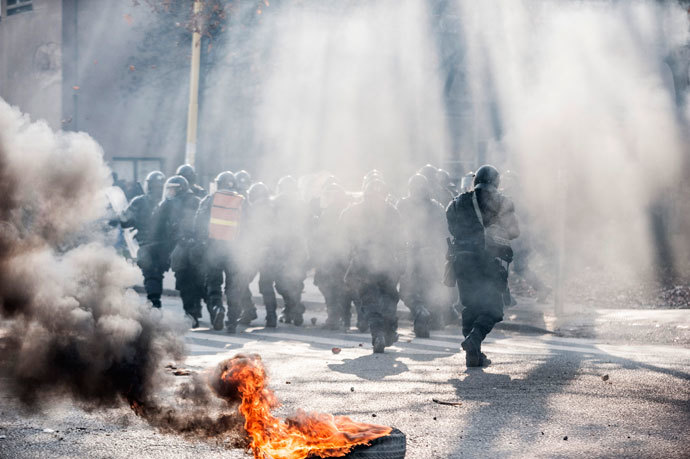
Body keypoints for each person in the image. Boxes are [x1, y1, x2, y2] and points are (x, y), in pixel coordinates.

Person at [446, 165, 520, 367]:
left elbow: (450, 222)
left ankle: (473, 355)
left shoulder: (459, 201)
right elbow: (514, 231)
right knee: (494, 308)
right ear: (496, 182)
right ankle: (474, 340)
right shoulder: (502, 202)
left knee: (470, 307)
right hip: (488, 262)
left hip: (461, 261)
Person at [341, 178, 404, 353]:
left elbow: (343, 231)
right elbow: (401, 238)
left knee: (370, 302)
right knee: (389, 299)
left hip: (363, 263)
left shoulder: (353, 211)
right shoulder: (392, 211)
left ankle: (379, 335)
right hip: (387, 263)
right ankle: (388, 333)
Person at [397, 174, 449, 338]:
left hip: (411, 254)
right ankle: (433, 318)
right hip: (431, 255)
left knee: (408, 291)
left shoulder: (403, 205)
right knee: (431, 288)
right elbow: (445, 232)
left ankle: (421, 311)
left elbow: (395, 230)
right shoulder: (438, 207)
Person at [194, 171, 246, 332]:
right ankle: (232, 321)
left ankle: (217, 309)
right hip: (235, 251)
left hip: (214, 250)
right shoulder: (242, 201)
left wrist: (202, 244)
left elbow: (198, 223)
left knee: (213, 284)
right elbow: (251, 225)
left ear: (218, 184)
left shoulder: (210, 199)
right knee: (233, 286)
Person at [151, 175, 204, 327]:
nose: (170, 191)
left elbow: (156, 221)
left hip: (181, 248)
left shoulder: (169, 204)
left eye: (172, 188)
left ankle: (191, 314)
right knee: (199, 281)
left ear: (180, 188)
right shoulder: (197, 200)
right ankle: (211, 311)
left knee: (185, 282)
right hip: (198, 248)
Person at [120, 170, 167, 308]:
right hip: (166, 247)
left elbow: (125, 221)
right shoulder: (168, 202)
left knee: (151, 275)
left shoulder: (139, 201)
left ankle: (154, 303)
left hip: (146, 245)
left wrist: (121, 213)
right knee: (157, 275)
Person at [311, 183, 354, 330]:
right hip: (345, 256)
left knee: (329, 287)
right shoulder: (349, 210)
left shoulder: (330, 211)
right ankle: (346, 318)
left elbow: (321, 235)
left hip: (332, 256)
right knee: (344, 288)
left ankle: (334, 318)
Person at [271, 176, 309, 326]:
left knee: (284, 282)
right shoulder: (298, 204)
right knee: (293, 282)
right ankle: (294, 308)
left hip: (287, 248)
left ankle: (293, 308)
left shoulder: (277, 203)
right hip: (291, 248)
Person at [245, 182, 279, 327]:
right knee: (266, 285)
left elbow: (249, 231)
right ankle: (271, 317)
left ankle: (248, 311)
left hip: (256, 252)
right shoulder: (274, 208)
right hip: (271, 252)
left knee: (240, 282)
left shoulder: (253, 209)